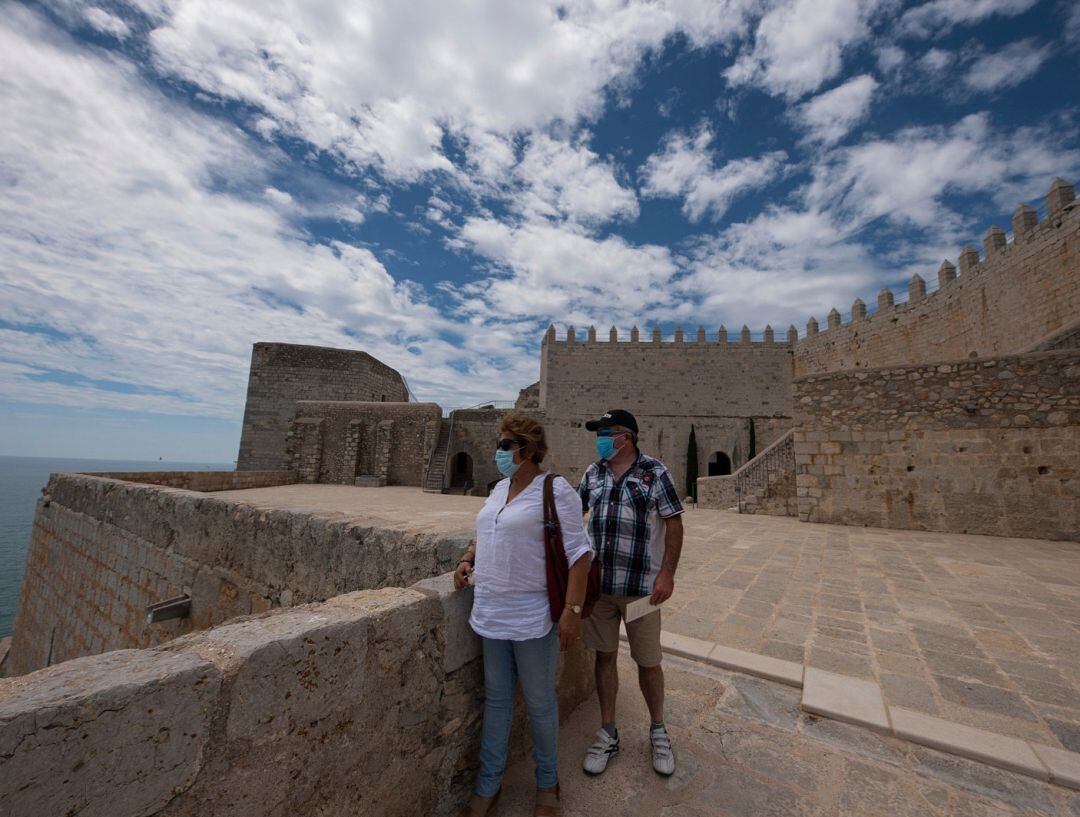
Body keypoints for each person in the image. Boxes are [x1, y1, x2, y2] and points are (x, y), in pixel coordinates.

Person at [453, 412, 594, 817]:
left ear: (527, 449)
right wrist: (467, 558)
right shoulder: (498, 489)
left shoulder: (556, 490)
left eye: (504, 445)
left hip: (533, 617)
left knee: (539, 703)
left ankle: (547, 786)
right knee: (496, 701)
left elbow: (579, 555)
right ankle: (488, 784)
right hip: (490, 613)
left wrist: (571, 610)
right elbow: (487, 531)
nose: (498, 452)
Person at [577, 409, 684, 777]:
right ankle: (608, 731)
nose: (600, 439)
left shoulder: (655, 472)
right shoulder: (593, 473)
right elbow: (573, 517)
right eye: (599, 433)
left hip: (641, 592)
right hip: (600, 591)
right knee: (604, 658)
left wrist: (667, 574)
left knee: (648, 660)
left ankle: (658, 729)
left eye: (607, 433)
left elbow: (674, 523)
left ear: (627, 436)